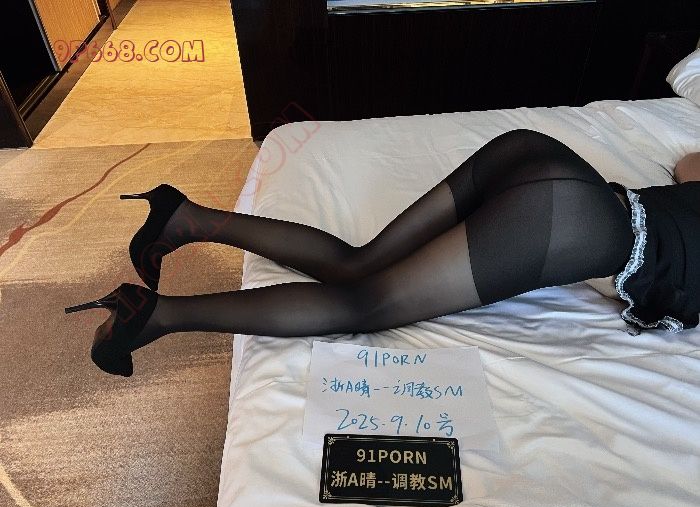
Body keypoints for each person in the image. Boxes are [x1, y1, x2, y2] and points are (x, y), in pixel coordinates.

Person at [65, 129, 700, 377]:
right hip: (575, 224)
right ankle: (158, 316)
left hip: (535, 156)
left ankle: (185, 217)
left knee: (360, 262)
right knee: (366, 305)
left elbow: (689, 164)